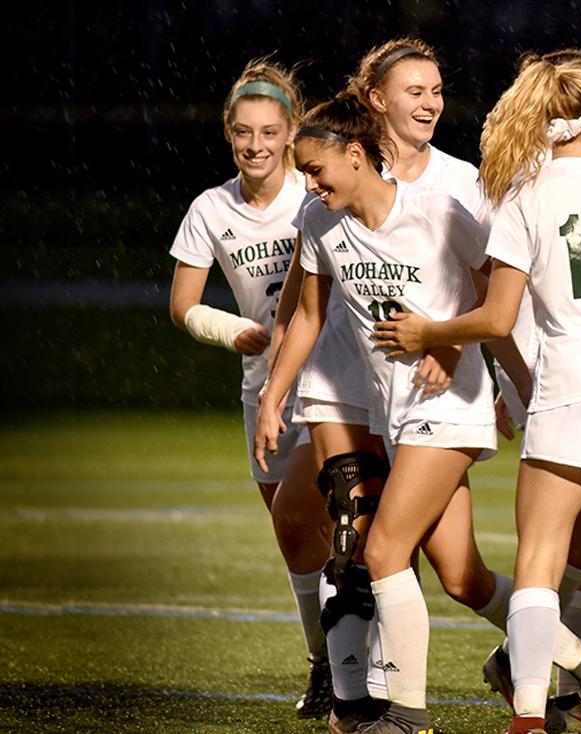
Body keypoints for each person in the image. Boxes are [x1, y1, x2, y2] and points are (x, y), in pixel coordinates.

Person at [372, 50, 581, 734]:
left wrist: (428, 332)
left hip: (573, 392)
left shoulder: (527, 194)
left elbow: (498, 320)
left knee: (538, 560)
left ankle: (529, 713)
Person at [268, 38, 501, 733]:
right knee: (457, 574)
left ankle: (395, 710)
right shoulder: (325, 209)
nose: (430, 101)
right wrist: (274, 393)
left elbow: (496, 298)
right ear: (376, 102)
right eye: (415, 90)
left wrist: (453, 345)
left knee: (378, 548)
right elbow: (305, 307)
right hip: (366, 390)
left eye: (437, 89)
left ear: (354, 154)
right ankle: (577, 658)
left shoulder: (450, 192)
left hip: (442, 399)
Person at [166, 58, 333, 720]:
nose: (256, 145)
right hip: (263, 390)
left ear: (291, 132)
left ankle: (369, 671)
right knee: (296, 539)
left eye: (269, 132)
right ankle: (325, 664)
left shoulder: (317, 193)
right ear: (228, 134)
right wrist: (228, 328)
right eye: (243, 133)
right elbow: (181, 303)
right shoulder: (212, 207)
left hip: (329, 383)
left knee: (347, 531)